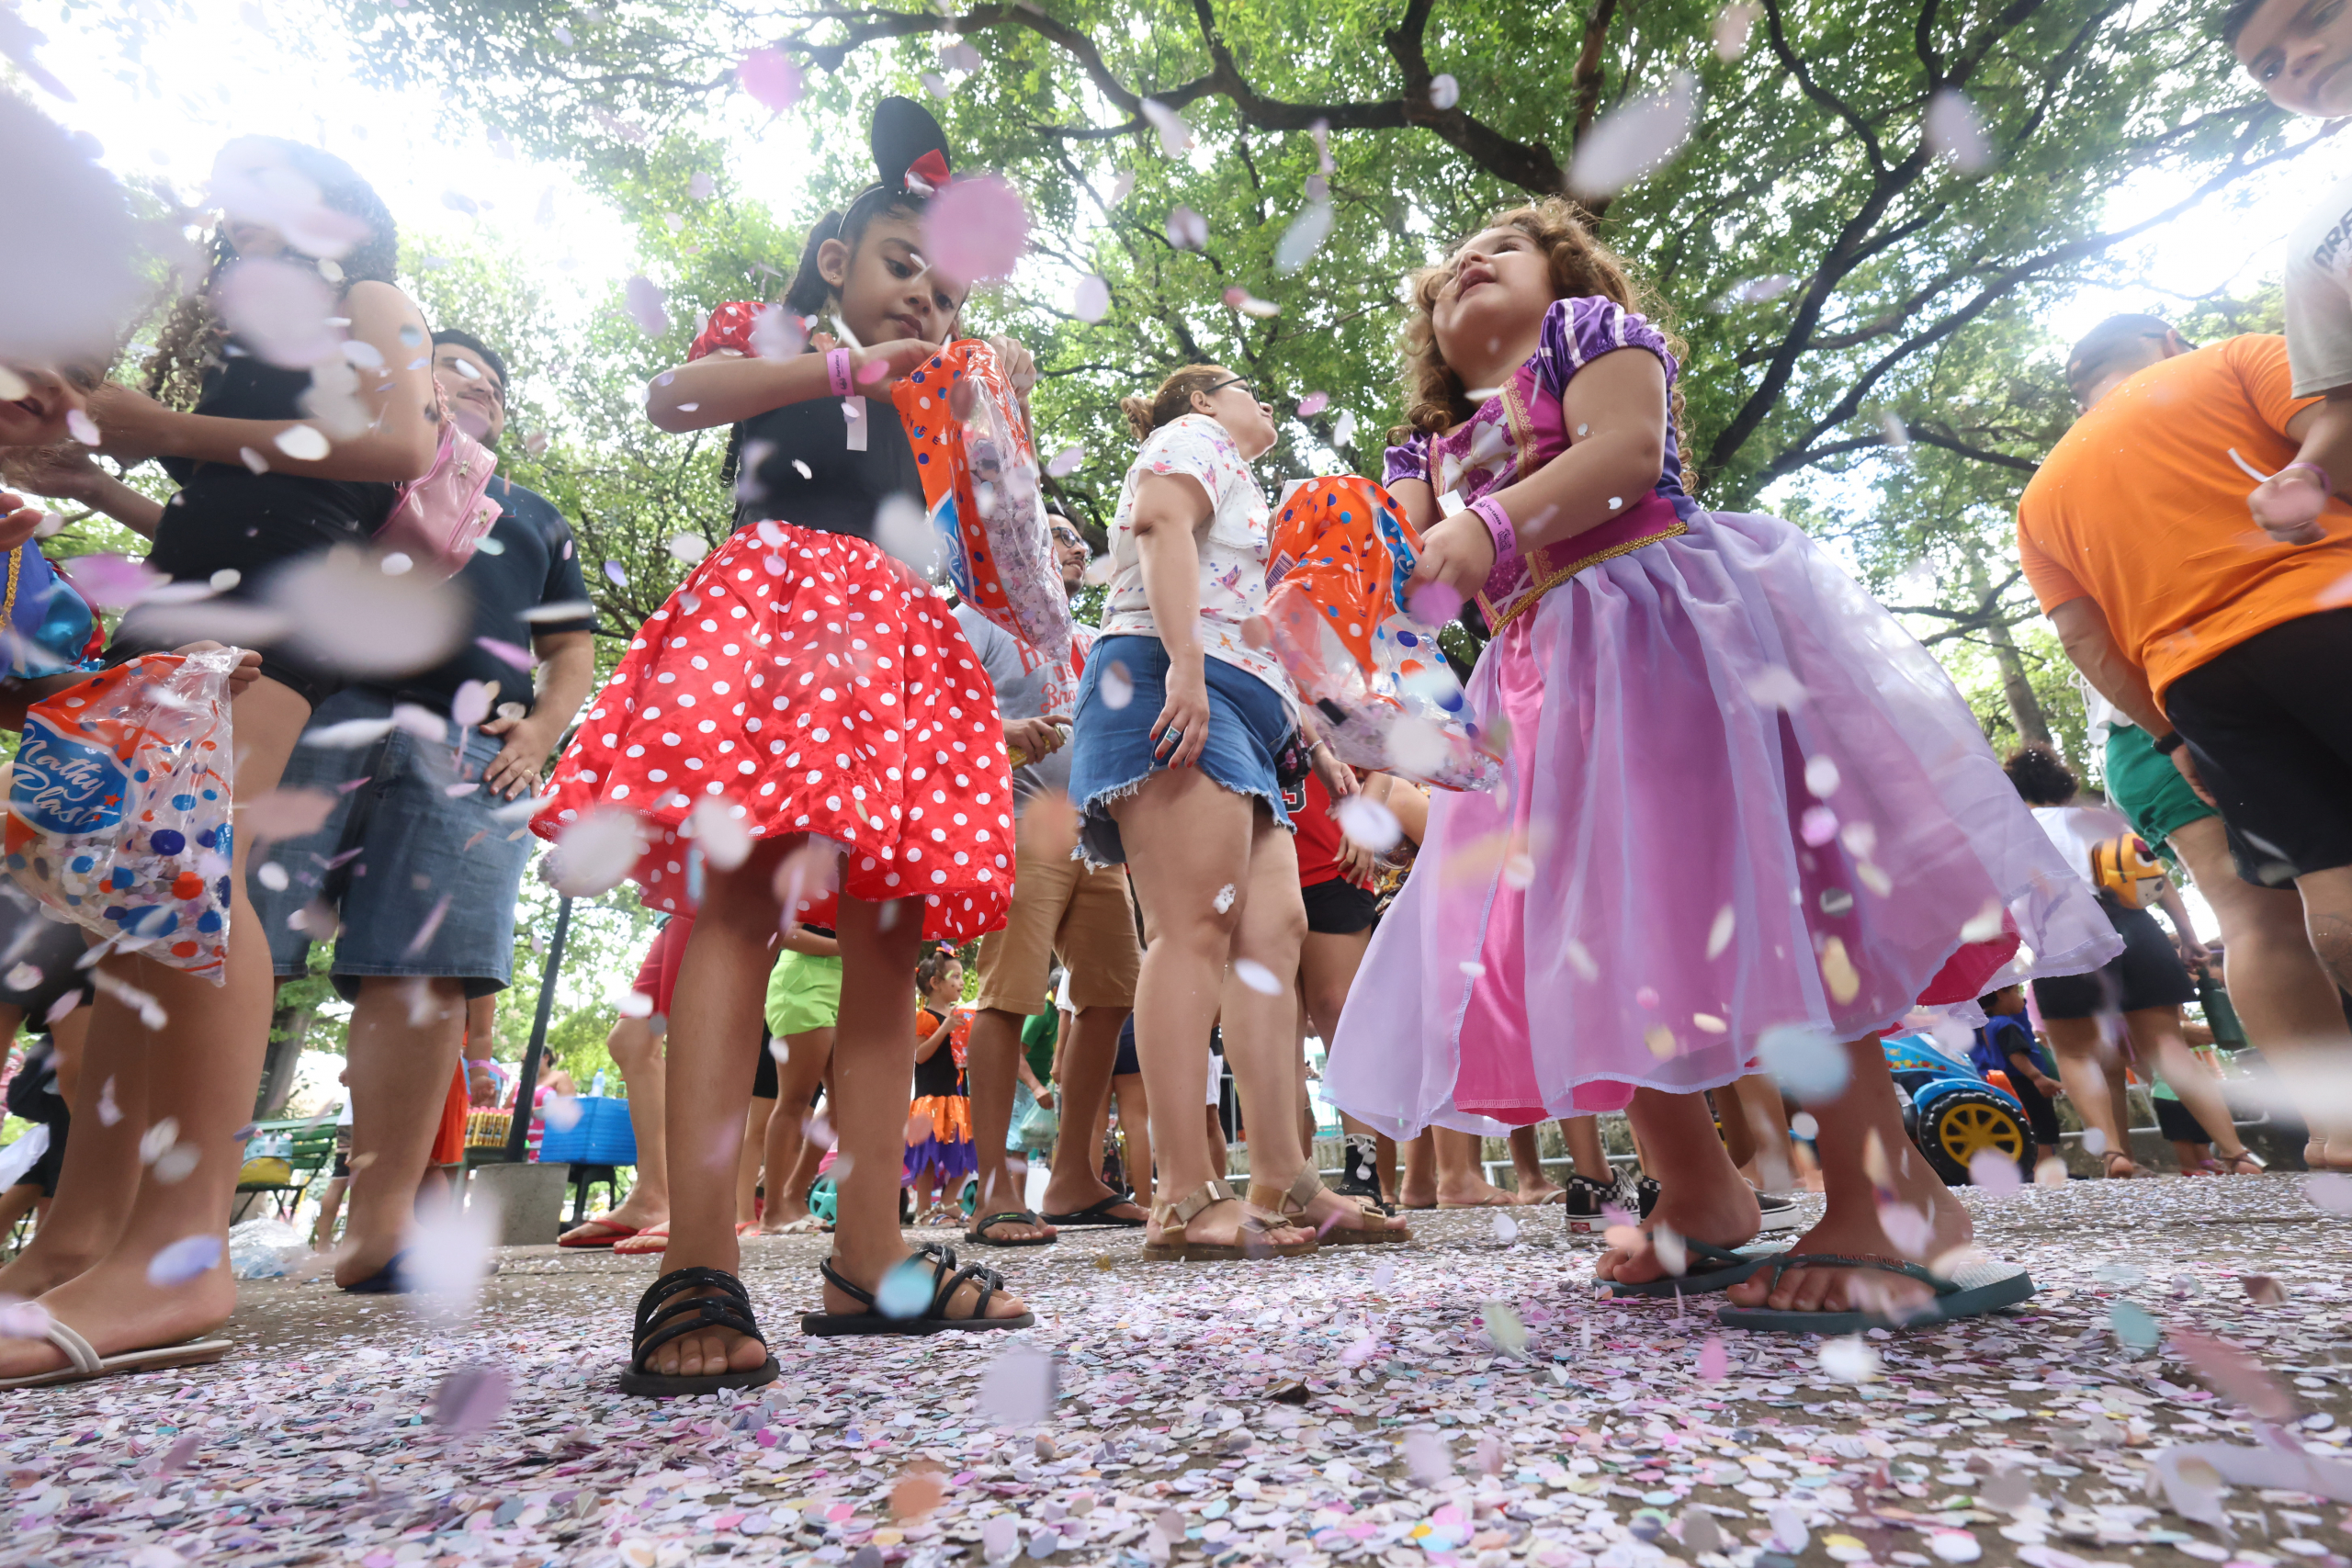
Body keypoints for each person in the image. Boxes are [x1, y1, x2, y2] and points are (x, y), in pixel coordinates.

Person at [1327, 197, 2117, 1329]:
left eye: (1497, 250)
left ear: (1565, 275)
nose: (1466, 266)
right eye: (1446, 271)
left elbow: (1622, 454)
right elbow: (1403, 567)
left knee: (1763, 896)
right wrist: (1357, 628)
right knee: (1593, 930)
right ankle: (1699, 1192)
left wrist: (1490, 528)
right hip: (1542, 683)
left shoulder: (1583, 337)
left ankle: (1892, 1194)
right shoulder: (1425, 445)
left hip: (1660, 631)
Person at [537, 97, 1034, 1393]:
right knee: (740, 900)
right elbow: (672, 399)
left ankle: (868, 1253)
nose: (927, 295)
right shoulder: (782, 340)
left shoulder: (935, 399)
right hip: (780, 615)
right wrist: (837, 369)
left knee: (888, 936)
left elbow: (965, 537)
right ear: (835, 262)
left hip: (899, 640)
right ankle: (695, 1254)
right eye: (903, 263)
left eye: (947, 281)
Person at [0, 136, 438, 1386]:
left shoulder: (372, 300)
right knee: (114, 907)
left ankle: (179, 1249)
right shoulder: (229, 343)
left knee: (197, 867)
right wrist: (107, 469)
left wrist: (161, 422)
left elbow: (397, 448)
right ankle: (81, 1235)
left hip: (289, 607)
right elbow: (209, 504)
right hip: (188, 593)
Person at [246, 325, 596, 1288]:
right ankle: (170, 1215)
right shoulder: (359, 468)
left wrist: (543, 733)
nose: (477, 388)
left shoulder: (534, 517)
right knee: (231, 940)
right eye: (455, 371)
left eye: (494, 384)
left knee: (423, 976)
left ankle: (383, 1226)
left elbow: (571, 651)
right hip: (308, 711)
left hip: (471, 747)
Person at [1066, 364, 1410, 1260]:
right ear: (1201, 400)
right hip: (1170, 682)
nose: (1264, 400)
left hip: (1244, 716)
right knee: (1194, 926)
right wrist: (1182, 665)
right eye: (1244, 387)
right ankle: (1181, 1193)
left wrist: (1320, 751)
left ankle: (1284, 1178)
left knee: (1273, 931)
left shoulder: (1248, 492)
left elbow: (1251, 628)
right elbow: (1158, 524)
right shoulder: (1194, 442)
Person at [2016, 319, 2352, 1169]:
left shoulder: (2042, 497)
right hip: (2329, 604)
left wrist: (2171, 733)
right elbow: (2339, 425)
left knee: (2305, 896)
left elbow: (2085, 644)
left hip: (2199, 680)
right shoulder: (2236, 359)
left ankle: (2336, 1129)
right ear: (2165, 338)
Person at [953, 511, 1144, 1245]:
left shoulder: (1092, 643)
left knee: (1112, 993)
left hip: (1096, 841)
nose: (1074, 549)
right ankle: (994, 1188)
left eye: (1076, 543)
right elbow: (938, 701)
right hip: (1017, 826)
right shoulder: (978, 618)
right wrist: (1000, 733)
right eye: (1057, 534)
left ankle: (1071, 1178)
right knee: (1008, 996)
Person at [2001, 745, 2266, 1178]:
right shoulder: (2100, 821)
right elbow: (2155, 879)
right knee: (2166, 1046)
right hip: (2135, 927)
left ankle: (2114, 1154)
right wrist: (2187, 936)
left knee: (2078, 1053)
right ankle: (2236, 1152)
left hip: (2065, 934)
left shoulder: (2013, 833)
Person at [560, 918, 687, 1247]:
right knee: (631, 1040)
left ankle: (701, 1208)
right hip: (675, 904)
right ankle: (652, 1197)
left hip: (706, 883)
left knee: (696, 1025)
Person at [908, 950, 977, 1224]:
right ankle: (924, 1210)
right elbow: (919, 1055)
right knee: (928, 1155)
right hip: (931, 1097)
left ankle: (948, 1201)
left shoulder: (960, 1016)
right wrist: (944, 1028)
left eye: (962, 976)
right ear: (935, 983)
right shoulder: (924, 1017)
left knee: (968, 1149)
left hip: (958, 1096)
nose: (961, 982)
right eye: (955, 976)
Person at [1970, 985, 2066, 1176]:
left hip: (2012, 1083)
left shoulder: (1988, 1024)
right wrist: (2038, 1077)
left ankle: (2036, 1169)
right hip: (2025, 1082)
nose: (2022, 997)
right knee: (2042, 1126)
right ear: (2001, 995)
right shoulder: (2007, 1025)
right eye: (2016, 992)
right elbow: (2015, 1054)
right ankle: (2045, 1169)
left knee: (2031, 1126)